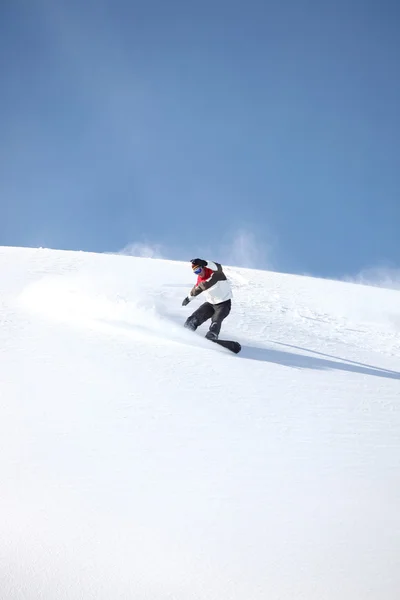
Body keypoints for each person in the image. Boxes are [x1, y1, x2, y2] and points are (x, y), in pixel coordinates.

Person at [182, 258, 232, 340]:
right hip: (210, 304)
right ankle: (187, 329)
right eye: (196, 272)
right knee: (196, 316)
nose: (199, 273)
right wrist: (188, 299)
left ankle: (212, 334)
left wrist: (204, 262)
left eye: (199, 270)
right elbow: (195, 291)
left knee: (216, 319)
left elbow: (217, 266)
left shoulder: (216, 273)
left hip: (223, 303)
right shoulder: (201, 281)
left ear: (203, 267)